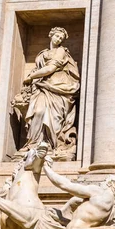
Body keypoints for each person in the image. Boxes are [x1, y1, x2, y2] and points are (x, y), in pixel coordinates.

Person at [19, 27, 80, 158]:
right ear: (51, 35)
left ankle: (52, 145)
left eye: (61, 38)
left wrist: (31, 76)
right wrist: (33, 76)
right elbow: (40, 68)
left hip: (58, 88)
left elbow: (51, 68)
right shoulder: (42, 53)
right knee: (39, 112)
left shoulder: (61, 51)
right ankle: (34, 144)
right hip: (41, 87)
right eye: (57, 36)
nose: (58, 39)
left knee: (54, 117)